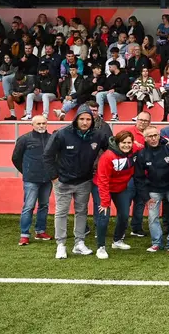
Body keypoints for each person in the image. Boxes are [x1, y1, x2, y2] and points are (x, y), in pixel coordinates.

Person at [43, 104, 108, 259]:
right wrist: (54, 177)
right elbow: (47, 156)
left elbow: (111, 149)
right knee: (61, 212)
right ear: (76, 119)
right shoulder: (62, 134)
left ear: (92, 120)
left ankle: (79, 243)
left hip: (84, 181)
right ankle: (61, 244)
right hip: (63, 182)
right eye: (82, 119)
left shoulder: (98, 135)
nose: (85, 122)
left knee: (81, 212)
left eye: (88, 119)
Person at [135, 126, 169, 253]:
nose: (154, 138)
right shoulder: (142, 154)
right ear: (145, 138)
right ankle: (156, 243)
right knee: (153, 217)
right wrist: (146, 197)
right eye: (150, 136)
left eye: (156, 135)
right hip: (153, 189)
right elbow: (139, 177)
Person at [94, 130, 136, 259]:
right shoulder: (108, 156)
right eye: (123, 142)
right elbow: (103, 180)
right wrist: (105, 202)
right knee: (104, 216)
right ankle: (101, 247)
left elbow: (143, 143)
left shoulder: (133, 152)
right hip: (102, 187)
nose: (127, 145)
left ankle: (117, 241)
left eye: (129, 142)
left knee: (124, 215)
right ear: (118, 143)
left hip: (120, 188)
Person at [12, 115, 53, 245]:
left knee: (44, 206)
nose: (41, 126)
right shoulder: (24, 139)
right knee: (28, 206)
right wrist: (27, 171)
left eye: (43, 123)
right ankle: (24, 235)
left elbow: (55, 157)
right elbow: (16, 158)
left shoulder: (52, 138)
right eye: (38, 123)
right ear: (32, 125)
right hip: (31, 179)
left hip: (47, 179)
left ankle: (40, 231)